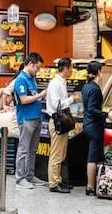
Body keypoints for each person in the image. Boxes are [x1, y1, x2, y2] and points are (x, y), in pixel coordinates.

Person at [13, 52, 47, 189]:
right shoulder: (21, 79)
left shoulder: (32, 78)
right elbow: (24, 99)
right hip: (26, 119)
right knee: (23, 149)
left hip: (36, 117)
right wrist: (41, 95)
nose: (38, 70)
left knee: (32, 149)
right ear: (30, 64)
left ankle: (29, 175)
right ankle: (20, 178)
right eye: (37, 67)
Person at [82, 61, 112, 196]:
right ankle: (90, 186)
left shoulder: (86, 87)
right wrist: (107, 114)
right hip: (94, 126)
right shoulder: (95, 89)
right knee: (93, 158)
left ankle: (99, 183)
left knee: (96, 156)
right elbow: (92, 109)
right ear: (99, 72)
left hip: (87, 125)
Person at [46, 57, 78, 193]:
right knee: (56, 154)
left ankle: (57, 179)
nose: (72, 70)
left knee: (61, 154)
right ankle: (53, 183)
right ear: (66, 68)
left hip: (62, 121)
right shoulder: (55, 84)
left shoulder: (62, 82)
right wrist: (72, 99)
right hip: (57, 121)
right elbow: (56, 104)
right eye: (71, 67)